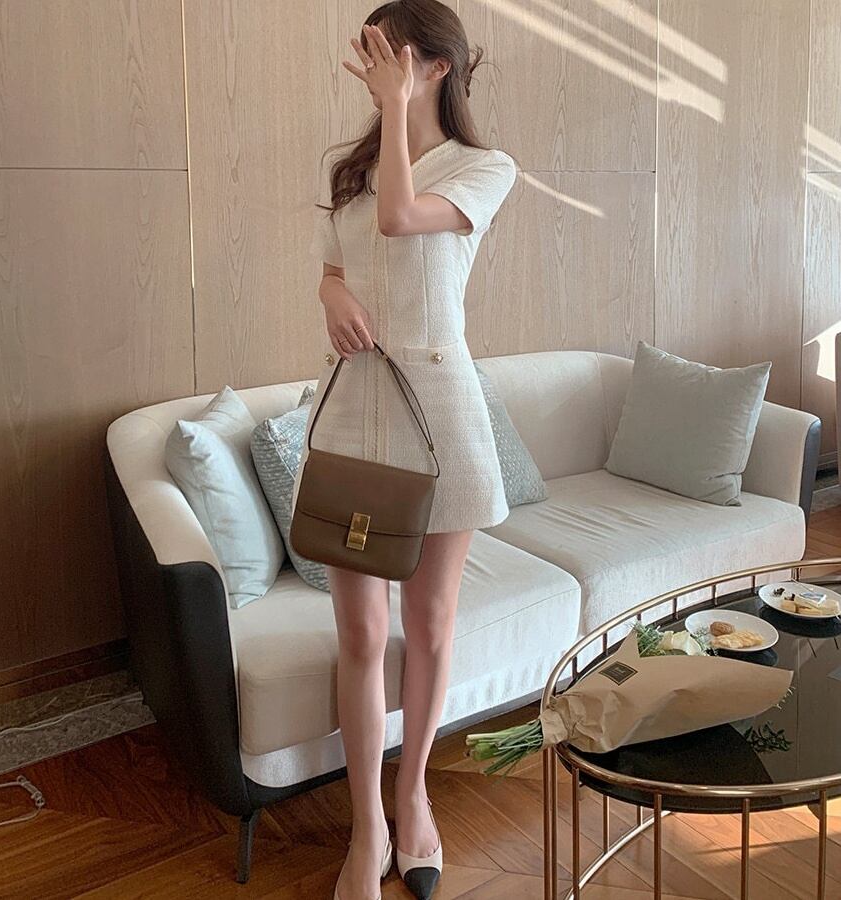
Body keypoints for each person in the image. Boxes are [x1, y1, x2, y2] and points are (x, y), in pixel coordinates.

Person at [291, 3, 518, 898]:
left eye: (384, 54)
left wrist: (392, 111)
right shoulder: (347, 168)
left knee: (427, 627)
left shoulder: (483, 167)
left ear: (433, 65)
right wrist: (331, 298)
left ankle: (413, 795)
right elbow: (336, 263)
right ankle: (367, 826)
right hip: (354, 408)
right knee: (358, 632)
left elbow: (397, 219)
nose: (368, 68)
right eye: (366, 55)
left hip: (440, 412)